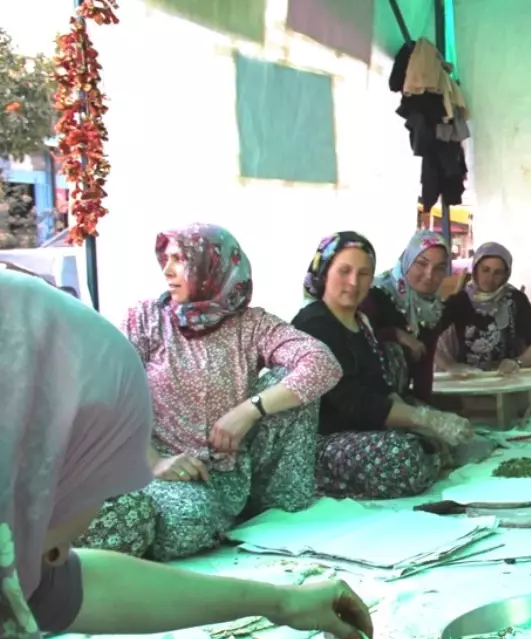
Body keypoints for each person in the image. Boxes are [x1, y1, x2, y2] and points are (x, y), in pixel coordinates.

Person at [0, 270, 373, 639]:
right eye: (92, 472)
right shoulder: (147, 320)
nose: (101, 503)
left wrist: (282, 602)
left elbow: (71, 585)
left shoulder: (15, 564)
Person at [76, 224, 341, 561]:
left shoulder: (251, 324)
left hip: (229, 470)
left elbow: (322, 363)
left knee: (291, 382)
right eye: (166, 259)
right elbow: (102, 389)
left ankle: (270, 506)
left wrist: (248, 410)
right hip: (161, 469)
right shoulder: (146, 319)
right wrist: (153, 461)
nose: (168, 270)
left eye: (180, 260)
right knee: (185, 520)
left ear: (213, 267)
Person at [292, 232, 474, 499]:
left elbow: (381, 386)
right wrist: (423, 419)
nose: (354, 282)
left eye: (364, 273)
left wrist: (425, 420)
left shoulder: (361, 322)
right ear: (324, 272)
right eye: (344, 271)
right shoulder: (314, 323)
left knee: (437, 443)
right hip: (322, 442)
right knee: (405, 458)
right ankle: (324, 481)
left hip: (363, 430)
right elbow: (355, 400)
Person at [361, 229, 475, 402]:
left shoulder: (433, 310)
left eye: (439, 268)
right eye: (421, 264)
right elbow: (356, 340)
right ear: (408, 260)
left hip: (400, 403)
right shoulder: (375, 294)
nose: (430, 275)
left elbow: (425, 367)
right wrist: (396, 334)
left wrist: (424, 409)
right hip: (363, 400)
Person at [434, 241, 531, 374]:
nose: (490, 278)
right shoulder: (460, 300)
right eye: (485, 270)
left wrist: (518, 362)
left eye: (498, 273)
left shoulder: (515, 300)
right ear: (475, 268)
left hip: (506, 380)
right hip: (468, 380)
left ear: (506, 275)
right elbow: (427, 337)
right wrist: (450, 366)